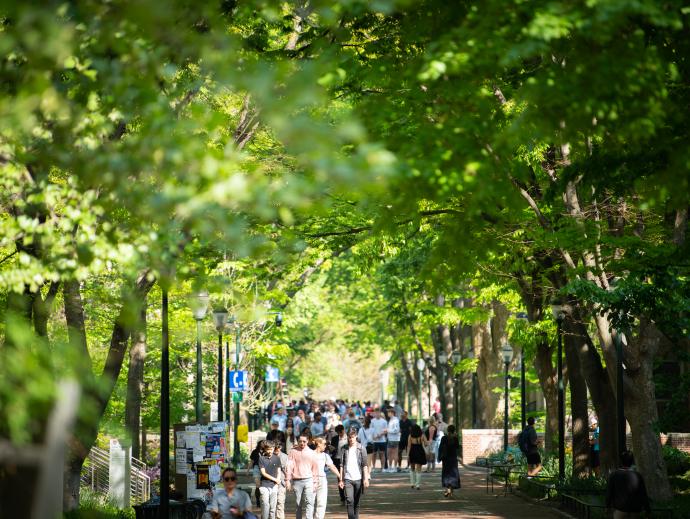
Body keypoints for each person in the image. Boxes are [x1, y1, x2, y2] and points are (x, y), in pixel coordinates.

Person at [606, 450, 651, 518]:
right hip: (635, 510)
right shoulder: (638, 475)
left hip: (620, 510)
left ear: (621, 461)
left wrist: (607, 507)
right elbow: (643, 493)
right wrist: (647, 509)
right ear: (632, 462)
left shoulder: (614, 475)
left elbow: (609, 492)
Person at [338, 428, 370, 519]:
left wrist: (366, 479)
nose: (351, 439)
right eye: (349, 437)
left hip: (358, 478)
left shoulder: (361, 448)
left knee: (356, 502)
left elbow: (364, 465)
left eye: (352, 437)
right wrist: (341, 479)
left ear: (356, 436)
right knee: (349, 500)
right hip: (348, 479)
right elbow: (341, 465)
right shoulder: (344, 448)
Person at [287, 433, 320, 519]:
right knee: (298, 504)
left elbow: (315, 469)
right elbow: (289, 466)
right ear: (297, 441)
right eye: (300, 441)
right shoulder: (293, 452)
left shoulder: (312, 453)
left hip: (309, 480)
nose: (302, 443)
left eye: (304, 441)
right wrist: (287, 480)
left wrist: (315, 482)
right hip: (297, 481)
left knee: (309, 502)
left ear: (308, 441)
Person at [313, 437, 343, 519]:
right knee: (310, 502)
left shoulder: (325, 455)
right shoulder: (310, 454)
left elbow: (332, 466)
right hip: (311, 480)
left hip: (322, 480)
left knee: (322, 502)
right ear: (318, 444)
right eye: (324, 444)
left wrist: (340, 477)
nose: (326, 446)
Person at [258, 440, 281, 519]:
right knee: (265, 504)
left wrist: (278, 480)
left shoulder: (277, 458)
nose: (269, 451)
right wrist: (275, 479)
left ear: (274, 448)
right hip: (264, 485)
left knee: (273, 507)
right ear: (265, 449)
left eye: (271, 449)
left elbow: (279, 471)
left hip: (274, 485)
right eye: (268, 449)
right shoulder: (261, 459)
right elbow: (263, 473)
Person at [438, 425, 461, 498]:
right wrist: (456, 437)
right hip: (453, 459)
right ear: (454, 430)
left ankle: (448, 489)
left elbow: (440, 448)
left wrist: (439, 457)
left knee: (447, 474)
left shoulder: (444, 438)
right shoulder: (455, 438)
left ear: (447, 430)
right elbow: (457, 447)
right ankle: (451, 493)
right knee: (453, 474)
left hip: (446, 459)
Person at [329, 425, 348, 504]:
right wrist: (331, 449)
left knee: (347, 478)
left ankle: (348, 496)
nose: (340, 434)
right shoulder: (335, 439)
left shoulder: (349, 438)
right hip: (337, 460)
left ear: (344, 430)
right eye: (338, 433)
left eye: (341, 432)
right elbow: (331, 451)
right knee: (340, 478)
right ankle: (342, 498)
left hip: (347, 460)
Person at [407, 424, 427, 490]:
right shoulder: (422, 435)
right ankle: (417, 485)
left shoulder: (410, 436)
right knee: (419, 469)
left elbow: (409, 446)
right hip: (420, 451)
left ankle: (412, 483)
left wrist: (408, 455)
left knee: (412, 468)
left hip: (412, 451)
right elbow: (426, 444)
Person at [274, 441, 289, 519]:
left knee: (280, 501)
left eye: (277, 448)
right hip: (271, 482)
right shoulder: (269, 455)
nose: (276, 450)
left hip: (282, 481)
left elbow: (287, 470)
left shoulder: (285, 457)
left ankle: (280, 517)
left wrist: (288, 481)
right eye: (274, 448)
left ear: (280, 448)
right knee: (272, 502)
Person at [385, 408, 401, 473]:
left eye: (388, 412)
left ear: (392, 413)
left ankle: (394, 467)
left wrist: (388, 430)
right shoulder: (391, 419)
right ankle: (390, 467)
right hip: (391, 438)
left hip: (394, 439)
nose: (387, 414)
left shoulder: (395, 420)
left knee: (394, 453)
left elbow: (396, 430)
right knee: (390, 453)